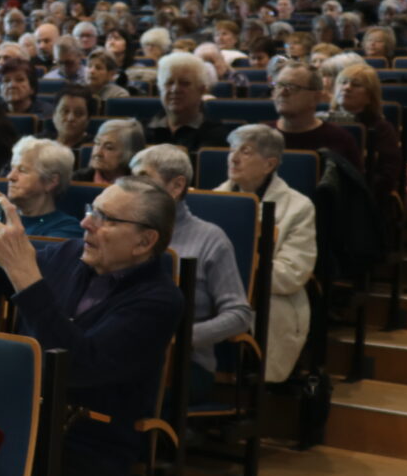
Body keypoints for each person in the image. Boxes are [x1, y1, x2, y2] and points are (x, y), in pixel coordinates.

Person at [0, 177, 181, 476]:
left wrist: (24, 272)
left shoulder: (158, 301)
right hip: (23, 427)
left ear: (144, 241)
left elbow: (76, 367)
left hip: (86, 452)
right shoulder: (69, 254)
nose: (87, 222)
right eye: (92, 211)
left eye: (106, 219)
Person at [130, 146, 254, 398]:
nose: (133, 188)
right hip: (124, 349)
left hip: (184, 363)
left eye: (143, 178)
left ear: (176, 186)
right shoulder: (125, 229)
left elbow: (240, 315)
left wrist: (180, 337)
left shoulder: (210, 239)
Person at [216, 125, 317, 383]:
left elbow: (292, 274)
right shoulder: (215, 199)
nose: (233, 157)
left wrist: (233, 275)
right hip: (215, 295)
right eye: (231, 149)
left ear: (269, 164)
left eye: (245, 151)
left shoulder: (298, 207)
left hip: (268, 299)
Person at [330, 63, 405, 206]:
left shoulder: (381, 128)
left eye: (356, 85)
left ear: (370, 97)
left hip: (361, 198)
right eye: (343, 82)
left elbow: (387, 175)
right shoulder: (320, 120)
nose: (347, 87)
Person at [270, 62, 361, 168]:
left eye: (292, 87)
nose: (282, 92)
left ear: (316, 97)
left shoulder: (339, 140)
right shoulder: (260, 137)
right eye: (279, 85)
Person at [0, 136, 82, 238]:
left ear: (51, 182)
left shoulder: (67, 229)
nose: (10, 176)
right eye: (12, 168)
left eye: (22, 170)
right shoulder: (0, 216)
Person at [146, 53, 230, 151]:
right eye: (169, 83)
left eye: (184, 83)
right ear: (160, 88)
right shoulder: (145, 131)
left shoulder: (217, 135)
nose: (175, 89)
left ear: (201, 90)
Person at [73, 118, 144, 185]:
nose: (98, 153)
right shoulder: (77, 179)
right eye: (97, 143)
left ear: (128, 154)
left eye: (109, 148)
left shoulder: (139, 186)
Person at [50, 85, 96, 149]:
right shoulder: (39, 142)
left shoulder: (93, 148)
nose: (70, 118)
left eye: (78, 113)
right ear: (54, 115)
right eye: (65, 111)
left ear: (88, 119)